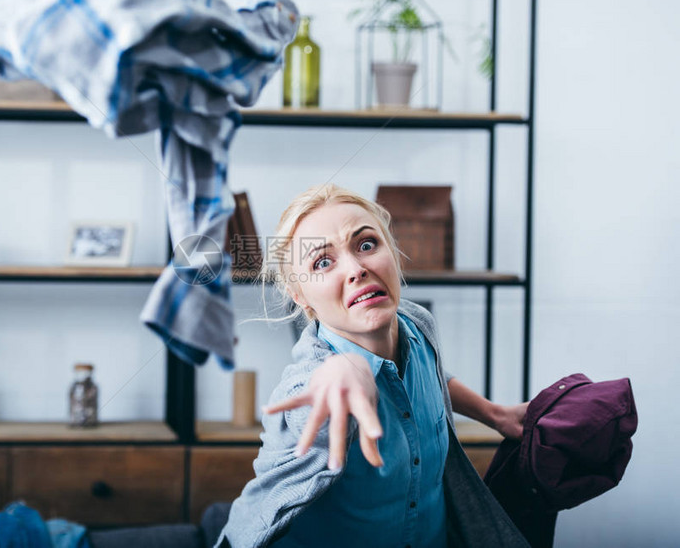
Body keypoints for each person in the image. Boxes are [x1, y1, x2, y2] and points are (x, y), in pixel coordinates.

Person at [215, 184, 530, 548]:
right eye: (323, 261)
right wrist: (349, 367)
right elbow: (326, 388)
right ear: (301, 297)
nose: (356, 269)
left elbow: (431, 374)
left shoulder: (418, 324)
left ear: (393, 253)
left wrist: (494, 414)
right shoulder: (308, 390)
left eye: (366, 245)